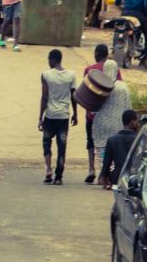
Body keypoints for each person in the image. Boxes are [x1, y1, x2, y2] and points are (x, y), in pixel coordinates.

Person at [84, 46, 131, 184]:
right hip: (117, 123)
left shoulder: (97, 80)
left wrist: (90, 113)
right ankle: (111, 174)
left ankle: (95, 170)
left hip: (99, 121)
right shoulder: (122, 86)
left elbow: (88, 96)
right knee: (115, 150)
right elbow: (127, 105)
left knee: (97, 146)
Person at [39, 49, 78, 185]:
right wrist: (75, 114)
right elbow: (74, 96)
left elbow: (44, 97)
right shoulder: (71, 75)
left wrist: (40, 118)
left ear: (53, 59)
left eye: (49, 59)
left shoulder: (45, 75)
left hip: (50, 116)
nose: (48, 62)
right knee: (62, 148)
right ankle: (59, 177)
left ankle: (49, 170)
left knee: (46, 143)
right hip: (63, 117)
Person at [98, 109, 141, 188]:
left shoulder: (112, 140)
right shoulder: (139, 140)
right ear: (132, 122)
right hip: (135, 179)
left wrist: (103, 177)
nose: (138, 123)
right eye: (137, 121)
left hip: (117, 178)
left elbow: (106, 164)